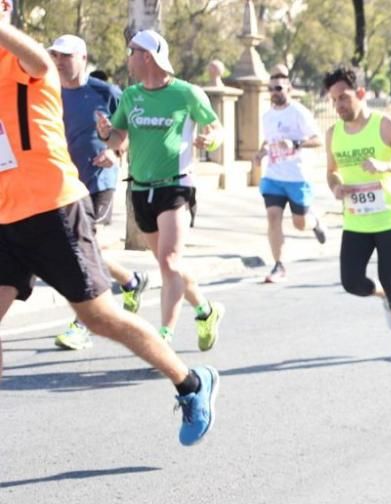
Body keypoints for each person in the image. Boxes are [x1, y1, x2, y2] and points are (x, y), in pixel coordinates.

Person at [0, 4, 218, 445]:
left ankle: (190, 381)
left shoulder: (24, 61)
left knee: (99, 317)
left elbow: (42, 63)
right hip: (5, 218)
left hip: (52, 210)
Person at [99, 30, 224, 349]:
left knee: (169, 262)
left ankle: (164, 335)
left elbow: (216, 130)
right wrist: (106, 135)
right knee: (171, 265)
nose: (127, 58)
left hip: (176, 186)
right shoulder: (131, 96)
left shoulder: (187, 93)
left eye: (130, 52)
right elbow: (119, 140)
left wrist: (210, 140)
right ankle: (205, 310)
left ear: (146, 56)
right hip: (140, 189)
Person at [45, 34, 150, 351]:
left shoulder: (106, 92)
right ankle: (130, 281)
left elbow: (131, 131)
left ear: (83, 57)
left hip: (98, 181)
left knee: (80, 250)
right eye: (56, 56)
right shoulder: (49, 93)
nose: (60, 61)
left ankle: (82, 325)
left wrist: (115, 152)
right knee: (85, 251)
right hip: (63, 185)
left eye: (66, 56)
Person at [324, 65, 391, 362]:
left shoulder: (385, 125)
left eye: (343, 97)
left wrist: (387, 166)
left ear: (360, 93)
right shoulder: (333, 133)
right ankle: (385, 298)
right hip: (357, 218)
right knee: (351, 282)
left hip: (389, 217)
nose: (339, 105)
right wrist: (336, 187)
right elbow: (331, 173)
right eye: (334, 100)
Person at [253, 70, 326, 284]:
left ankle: (315, 222)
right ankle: (279, 265)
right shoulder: (267, 116)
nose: (274, 92)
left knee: (299, 223)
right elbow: (268, 141)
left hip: (297, 177)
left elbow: (318, 139)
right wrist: (260, 153)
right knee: (273, 218)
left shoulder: (298, 112)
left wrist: (295, 144)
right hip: (273, 176)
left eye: (278, 88)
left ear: (288, 89)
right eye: (270, 88)